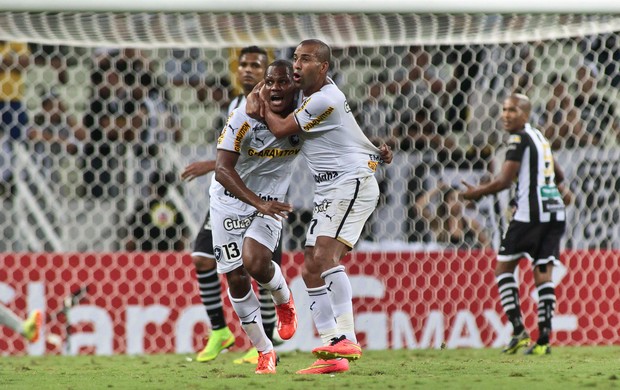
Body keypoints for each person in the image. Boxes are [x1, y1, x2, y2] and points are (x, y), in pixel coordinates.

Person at [246, 39, 393, 375]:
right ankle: (334, 353)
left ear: (323, 67)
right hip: (330, 189)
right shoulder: (316, 95)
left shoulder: (324, 99)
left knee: (324, 258)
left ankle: (346, 337)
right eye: (295, 58)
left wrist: (260, 106)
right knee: (310, 267)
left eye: (306, 59)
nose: (297, 65)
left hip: (350, 184)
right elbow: (349, 133)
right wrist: (375, 150)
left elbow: (281, 128)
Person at [180, 46, 285, 365]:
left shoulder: (275, 108)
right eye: (243, 64)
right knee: (202, 257)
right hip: (227, 200)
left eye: (256, 65)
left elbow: (256, 156)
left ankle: (265, 346)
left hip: (261, 201)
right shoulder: (237, 105)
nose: (248, 70)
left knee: (260, 272)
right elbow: (234, 154)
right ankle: (219, 331)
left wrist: (210, 164)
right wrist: (215, 165)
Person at [209, 59, 301, 374]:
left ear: (294, 85)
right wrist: (256, 203)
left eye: (282, 83)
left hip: (271, 201)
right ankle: (264, 350)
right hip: (230, 201)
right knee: (235, 277)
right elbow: (222, 170)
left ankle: (284, 301)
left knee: (257, 262)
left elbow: (338, 124)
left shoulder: (308, 112)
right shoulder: (242, 118)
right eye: (270, 83)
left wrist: (370, 152)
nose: (276, 89)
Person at [461, 93, 572, 355]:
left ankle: (519, 332)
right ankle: (544, 340)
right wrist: (551, 190)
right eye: (504, 109)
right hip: (554, 212)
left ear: (525, 113)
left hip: (529, 214)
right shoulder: (540, 137)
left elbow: (503, 181)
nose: (506, 115)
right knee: (542, 272)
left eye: (513, 110)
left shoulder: (519, 139)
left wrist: (476, 192)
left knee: (503, 268)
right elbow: (560, 175)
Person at [123, 171, 190, 251]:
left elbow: (130, 242)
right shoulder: (175, 211)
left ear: (150, 187)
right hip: (170, 258)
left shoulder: (141, 211)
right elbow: (182, 240)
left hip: (146, 258)